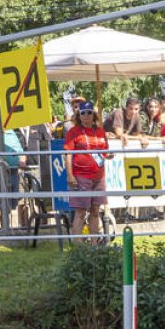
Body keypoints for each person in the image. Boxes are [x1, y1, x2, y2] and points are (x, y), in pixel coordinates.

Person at [64, 101, 112, 238]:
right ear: (78, 115)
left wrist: (109, 155)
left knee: (96, 211)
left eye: (89, 112)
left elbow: (104, 152)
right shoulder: (73, 132)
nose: (86, 115)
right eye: (83, 113)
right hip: (81, 176)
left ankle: (94, 246)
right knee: (80, 212)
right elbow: (67, 154)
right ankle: (78, 249)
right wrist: (70, 175)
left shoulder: (100, 131)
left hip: (99, 176)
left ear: (94, 115)